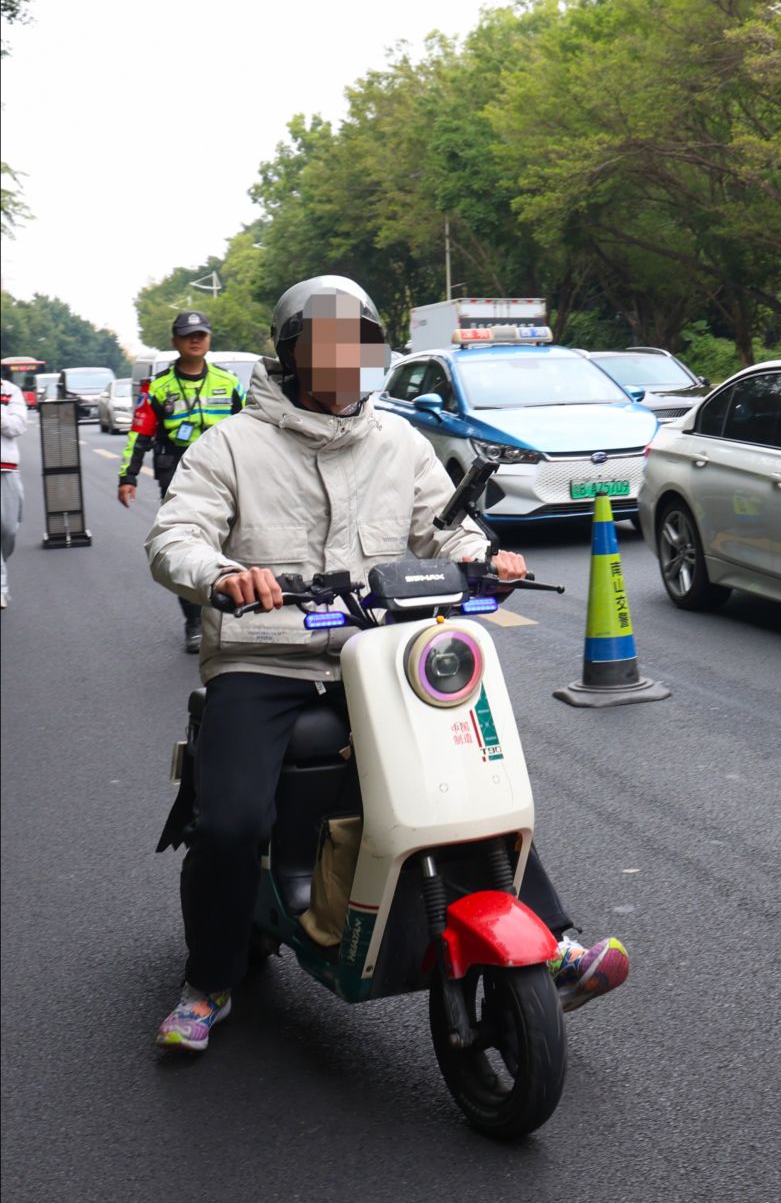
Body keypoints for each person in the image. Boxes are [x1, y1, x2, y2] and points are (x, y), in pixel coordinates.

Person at [146, 275, 628, 1051]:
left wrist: (484, 555)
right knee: (233, 823)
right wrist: (222, 575)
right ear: (291, 354)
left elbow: (445, 531)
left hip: (379, 654)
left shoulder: (399, 441)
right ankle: (208, 982)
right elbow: (175, 539)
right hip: (264, 660)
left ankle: (555, 938)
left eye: (356, 348)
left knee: (466, 782)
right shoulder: (230, 444)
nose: (342, 366)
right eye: (324, 348)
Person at [119, 312, 247, 653]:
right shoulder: (157, 387)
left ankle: (235, 610)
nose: (195, 340)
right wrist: (127, 476)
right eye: (188, 335)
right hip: (177, 472)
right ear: (176, 341)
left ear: (209, 339)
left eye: (201, 334)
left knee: (233, 540)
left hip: (228, 469)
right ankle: (193, 620)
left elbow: (253, 429)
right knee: (187, 543)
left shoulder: (229, 382)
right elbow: (140, 433)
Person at [0, 375, 25, 609]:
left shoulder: (10, 391)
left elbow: (16, 427)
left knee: (8, 529)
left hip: (6, 470)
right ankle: (1, 587)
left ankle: (2, 562)